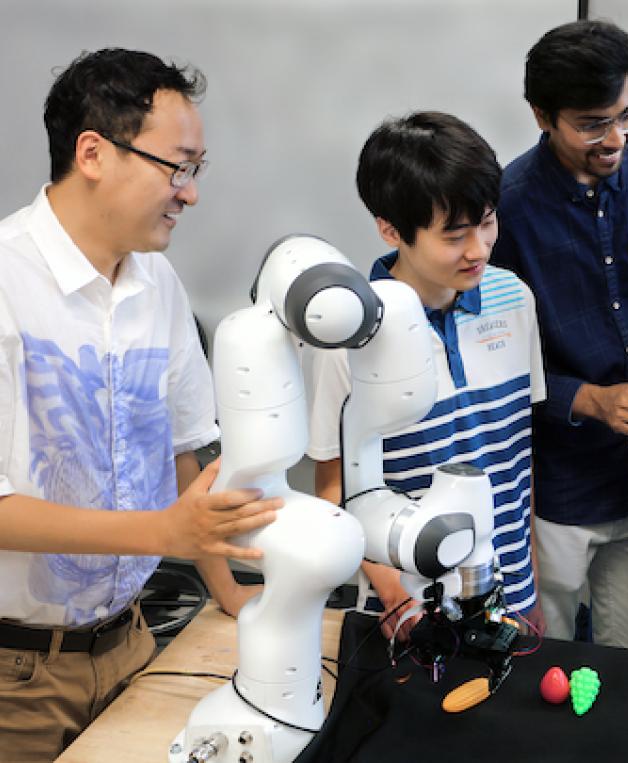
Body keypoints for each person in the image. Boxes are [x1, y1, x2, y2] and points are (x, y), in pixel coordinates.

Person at [0, 48, 280, 760]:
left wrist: (226, 590)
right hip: (17, 674)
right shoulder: (7, 282)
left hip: (133, 641)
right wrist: (165, 534)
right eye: (177, 165)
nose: (189, 192)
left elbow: (183, 449)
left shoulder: (157, 282)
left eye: (196, 169)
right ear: (93, 152)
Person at [490, 19, 628, 649]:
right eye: (592, 125)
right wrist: (591, 401)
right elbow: (496, 366)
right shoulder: (507, 206)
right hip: (558, 489)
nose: (616, 138)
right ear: (542, 116)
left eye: (627, 115)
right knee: (534, 659)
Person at [308, 112, 546, 640]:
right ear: (391, 229)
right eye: (455, 234)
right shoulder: (350, 335)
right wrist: (395, 597)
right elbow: (333, 491)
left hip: (511, 595)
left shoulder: (514, 299)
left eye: (487, 222)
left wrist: (529, 584)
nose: (479, 248)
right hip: (410, 607)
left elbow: (514, 458)